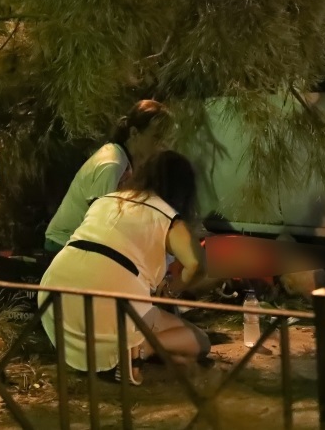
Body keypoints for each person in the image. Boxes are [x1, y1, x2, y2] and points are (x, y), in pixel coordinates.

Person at [38, 150, 210, 384]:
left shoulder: (106, 201)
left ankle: (101, 356)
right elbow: (197, 263)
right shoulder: (167, 216)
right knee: (198, 341)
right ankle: (140, 351)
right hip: (114, 297)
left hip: (54, 295)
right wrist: (173, 289)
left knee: (144, 326)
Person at [44, 99, 167, 252]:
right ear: (134, 133)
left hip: (81, 243)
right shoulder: (112, 164)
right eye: (156, 137)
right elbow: (99, 222)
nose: (163, 144)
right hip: (64, 243)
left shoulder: (126, 160)